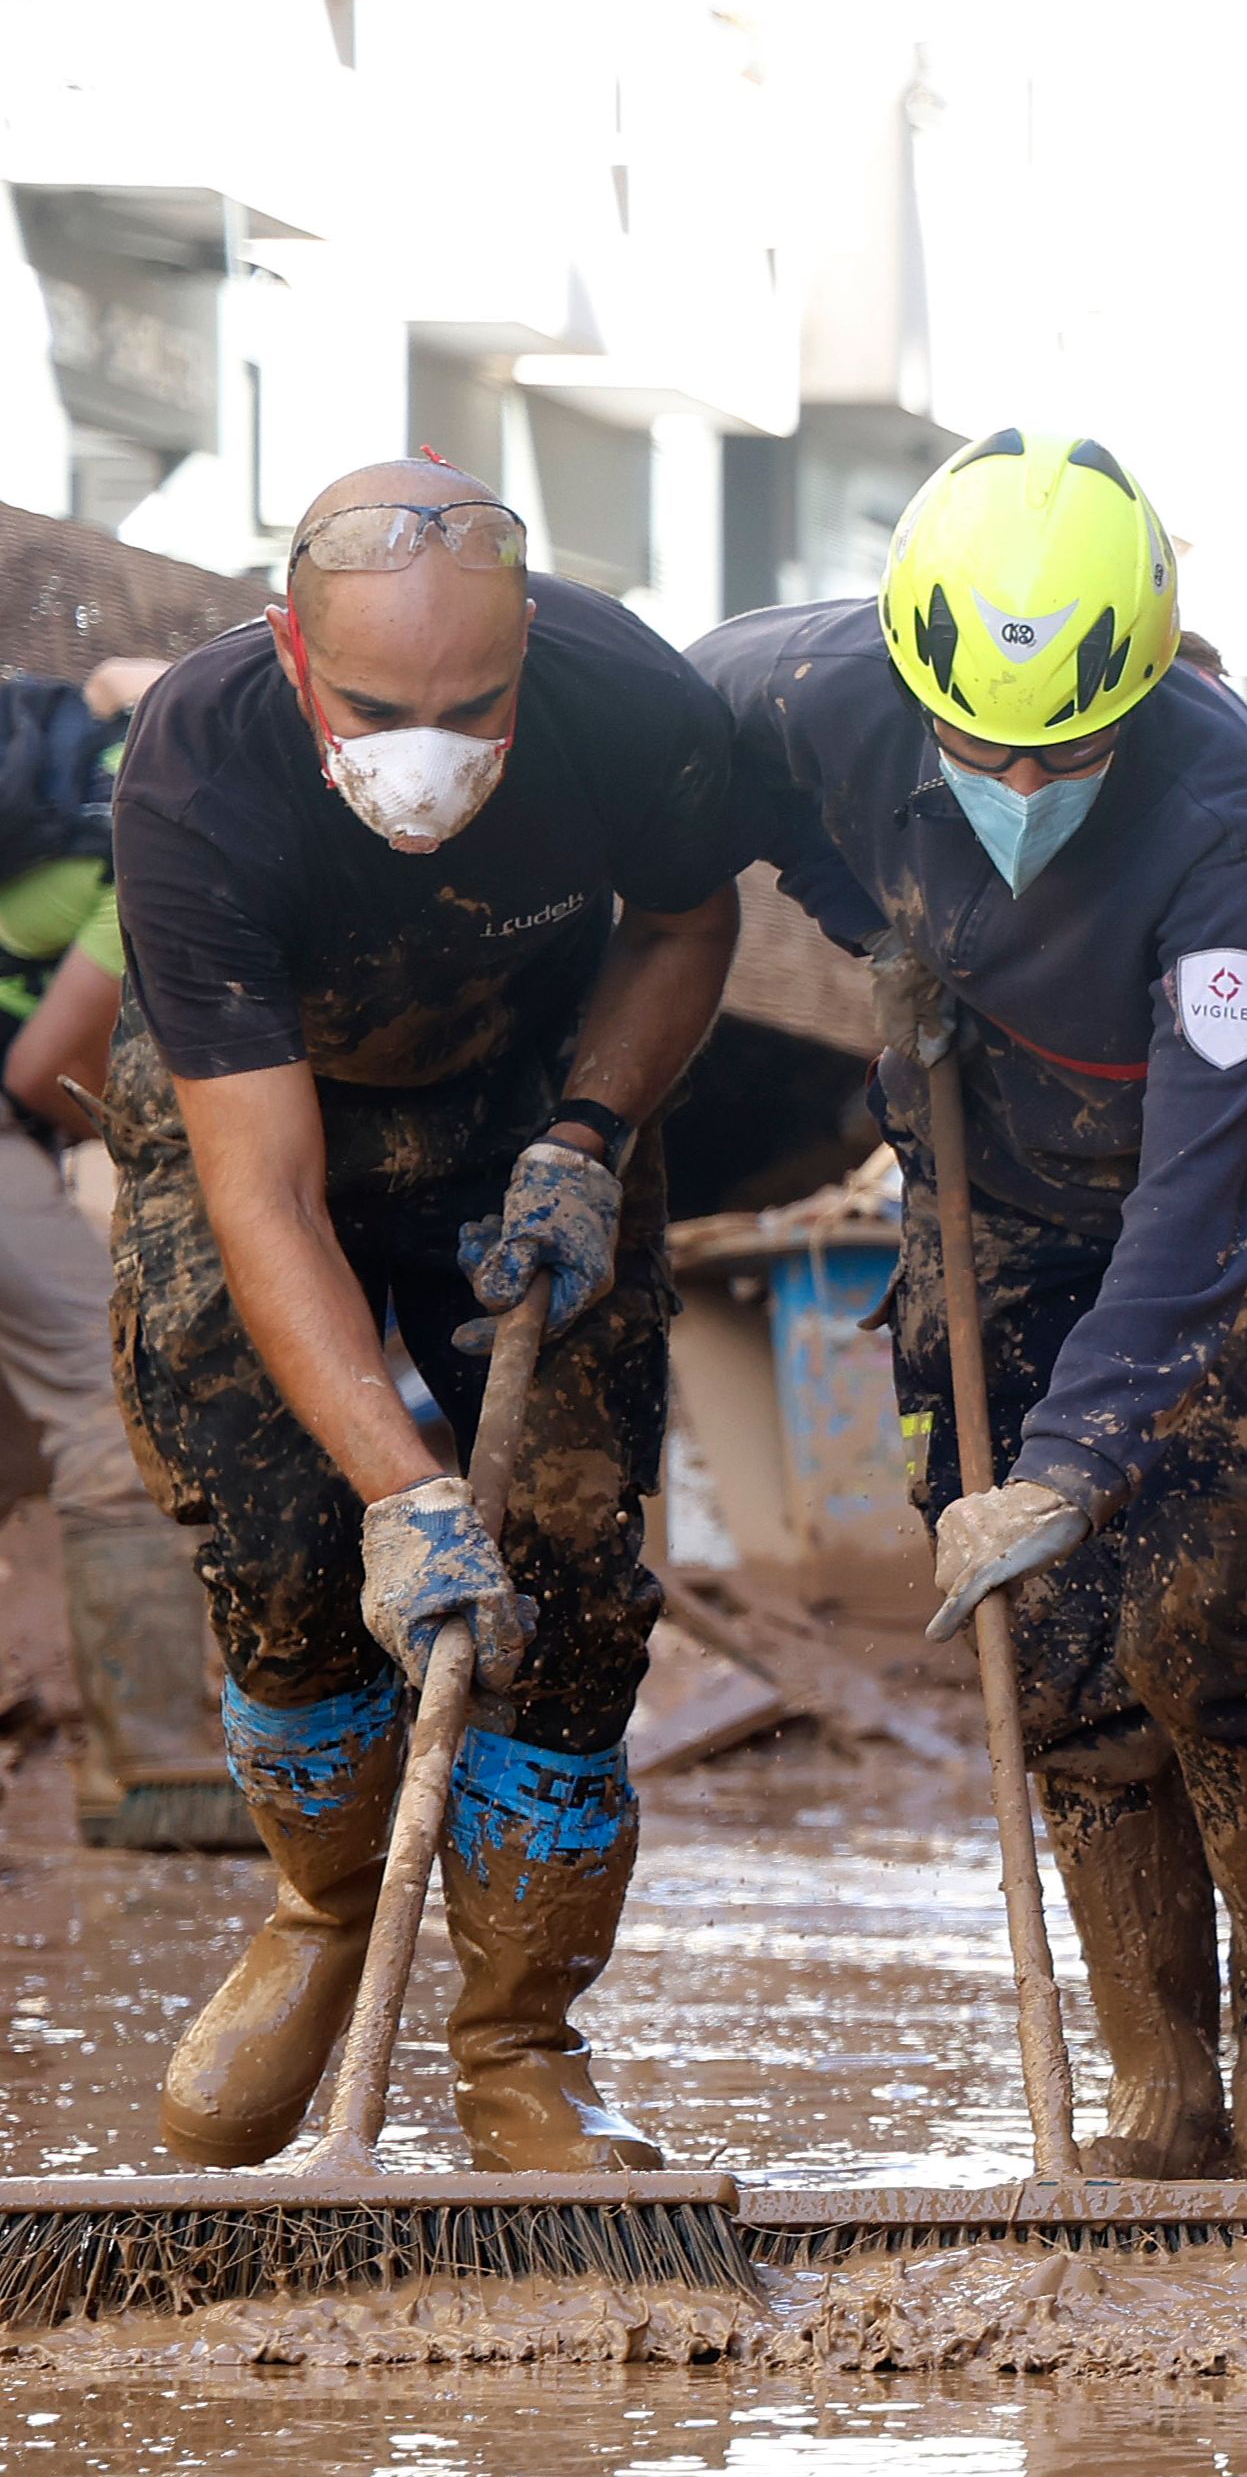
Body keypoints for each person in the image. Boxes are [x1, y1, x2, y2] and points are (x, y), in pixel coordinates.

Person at [697, 430, 1247, 2180]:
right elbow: (685, 789)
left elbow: (1192, 1206)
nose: (1017, 773)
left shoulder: (1227, 829)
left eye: (1064, 745)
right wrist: (875, 921)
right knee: (1038, 1621)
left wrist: (1078, 1451)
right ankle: (1153, 2057)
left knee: (1190, 1588)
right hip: (999, 1167)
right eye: (975, 742)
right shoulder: (788, 688)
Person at [109, 458, 743, 2169]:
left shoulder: (629, 701)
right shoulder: (198, 766)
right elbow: (264, 1193)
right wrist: (402, 1492)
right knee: (280, 1530)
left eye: (473, 702)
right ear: (294, 654)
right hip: (264, 1102)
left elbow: (690, 918)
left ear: (529, 644)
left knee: (565, 1553)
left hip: (523, 1097)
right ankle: (325, 1911)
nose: (429, 746)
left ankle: (521, 2040)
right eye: (381, 704)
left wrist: (590, 1133)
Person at [0, 654, 257, 1848]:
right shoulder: (160, 825)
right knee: (113, 1405)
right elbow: (49, 1068)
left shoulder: (96, 768)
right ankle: (157, 1772)